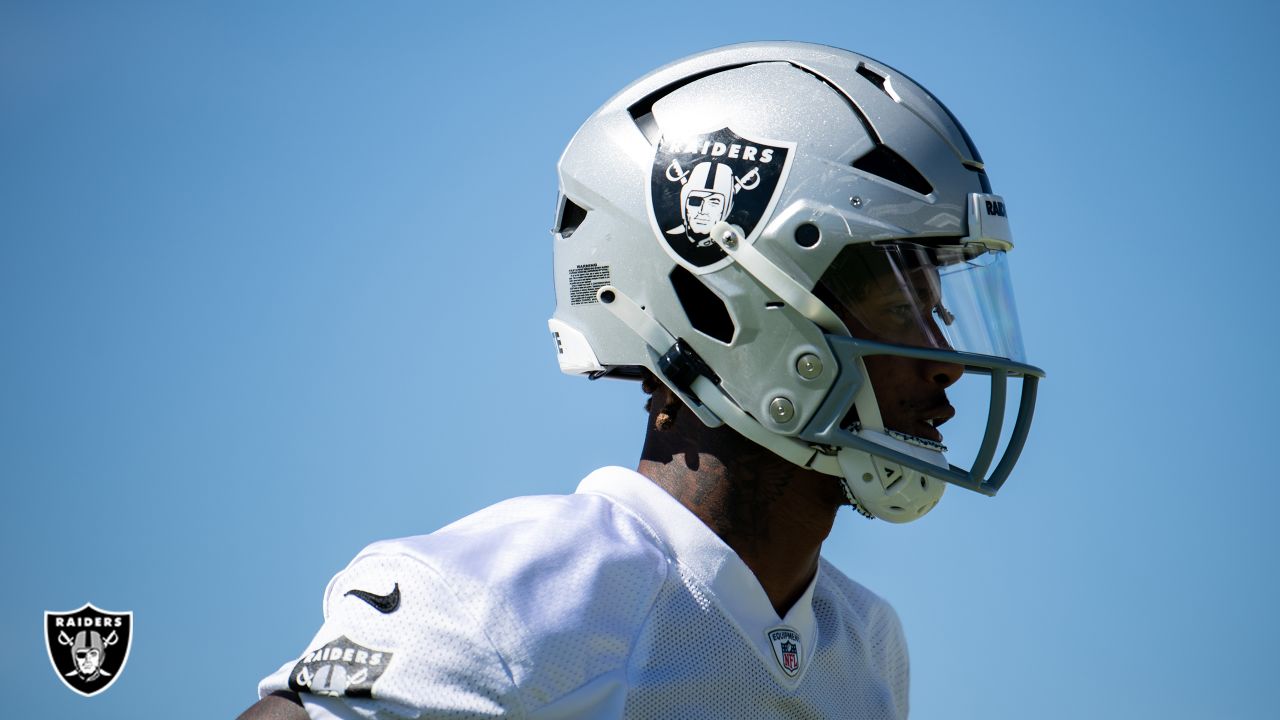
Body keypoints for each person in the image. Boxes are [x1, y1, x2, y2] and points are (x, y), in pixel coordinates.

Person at [240, 41, 1044, 720]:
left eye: (938, 311)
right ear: (726, 307)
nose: (944, 360)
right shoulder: (504, 600)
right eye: (898, 308)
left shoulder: (865, 647)